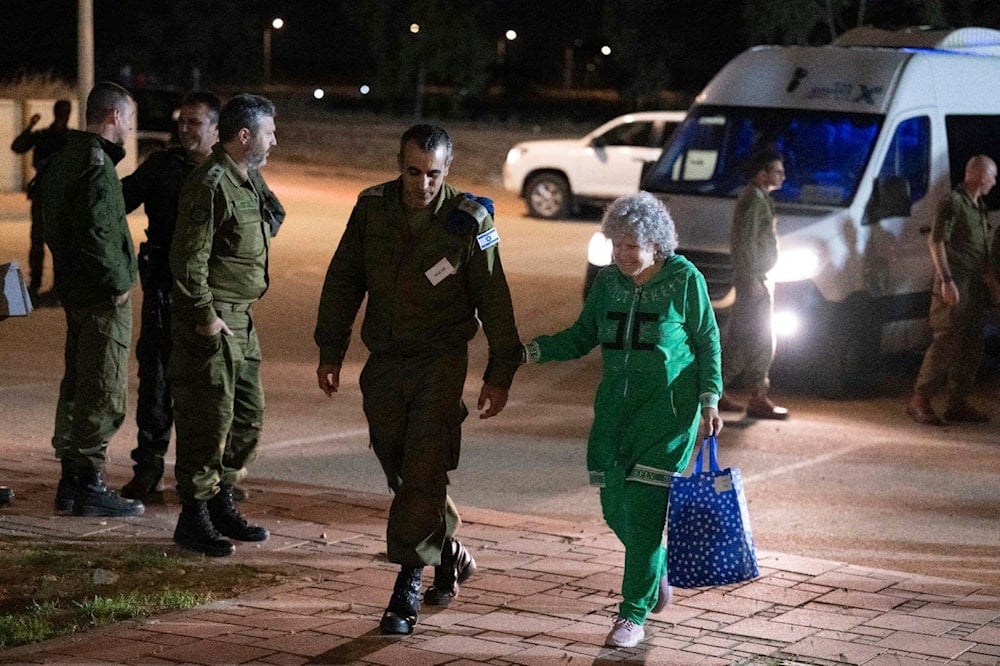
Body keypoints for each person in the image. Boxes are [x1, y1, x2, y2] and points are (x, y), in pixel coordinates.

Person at [314, 124, 522, 636]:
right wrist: (330, 348)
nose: (421, 184)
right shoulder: (372, 208)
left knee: (425, 462)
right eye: (412, 171)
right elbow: (344, 279)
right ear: (399, 164)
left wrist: (499, 372)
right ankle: (448, 551)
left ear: (447, 170)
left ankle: (407, 584)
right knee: (399, 462)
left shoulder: (469, 221)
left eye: (433, 174)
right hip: (384, 359)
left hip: (440, 359)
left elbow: (494, 297)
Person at [522, 191, 723, 649]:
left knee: (646, 513)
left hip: (668, 416)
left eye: (632, 245)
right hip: (614, 412)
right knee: (617, 509)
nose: (621, 253)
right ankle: (654, 569)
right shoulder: (608, 282)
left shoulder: (684, 279)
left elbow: (708, 340)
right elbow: (581, 336)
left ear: (657, 244)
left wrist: (710, 399)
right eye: (616, 243)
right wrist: (529, 352)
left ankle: (633, 614)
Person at [169, 93, 283, 557]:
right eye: (269, 132)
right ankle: (193, 516)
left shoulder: (247, 179)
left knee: (247, 417)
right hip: (214, 321)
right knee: (207, 418)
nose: (275, 140)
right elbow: (187, 258)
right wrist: (205, 316)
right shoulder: (210, 183)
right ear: (244, 136)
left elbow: (272, 217)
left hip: (243, 319)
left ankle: (220, 499)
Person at [37, 81, 144, 517]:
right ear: (114, 117)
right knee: (102, 388)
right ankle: (90, 483)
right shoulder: (97, 166)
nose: (132, 126)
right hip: (101, 298)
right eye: (130, 117)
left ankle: (69, 480)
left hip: (76, 291)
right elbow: (98, 232)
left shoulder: (65, 158)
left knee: (76, 384)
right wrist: (119, 281)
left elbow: (51, 220)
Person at [118, 92, 222, 503]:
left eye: (195, 123)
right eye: (183, 121)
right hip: (164, 291)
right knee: (156, 382)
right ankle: (148, 469)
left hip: (212, 298)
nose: (185, 129)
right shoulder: (162, 167)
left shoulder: (229, 171)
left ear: (216, 128)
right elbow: (117, 201)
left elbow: (268, 217)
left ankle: (212, 478)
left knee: (212, 390)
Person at [907, 154, 997, 425]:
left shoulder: (978, 207)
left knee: (971, 345)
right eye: (992, 176)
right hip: (955, 284)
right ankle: (920, 400)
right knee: (945, 342)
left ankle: (957, 402)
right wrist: (946, 280)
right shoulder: (953, 203)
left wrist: (991, 282)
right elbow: (936, 242)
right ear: (979, 176)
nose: (994, 182)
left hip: (974, 287)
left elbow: (980, 251)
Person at [717, 149, 789, 419]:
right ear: (762, 174)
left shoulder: (759, 198)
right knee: (760, 338)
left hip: (758, 278)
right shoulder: (754, 200)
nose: (783, 176)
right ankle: (758, 395)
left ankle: (715, 393)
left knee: (740, 337)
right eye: (778, 171)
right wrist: (751, 280)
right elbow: (744, 242)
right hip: (755, 281)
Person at [10, 99, 72, 305]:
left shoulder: (68, 138)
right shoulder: (50, 136)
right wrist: (30, 126)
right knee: (43, 241)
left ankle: (52, 286)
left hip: (59, 196)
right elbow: (18, 146)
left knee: (56, 243)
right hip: (48, 194)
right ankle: (38, 284)